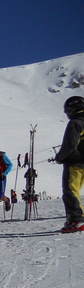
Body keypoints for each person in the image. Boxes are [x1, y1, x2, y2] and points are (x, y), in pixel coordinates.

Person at [55, 96, 84, 233]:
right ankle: (76, 218)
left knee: (70, 191)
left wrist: (60, 157)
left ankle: (77, 220)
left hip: (75, 162)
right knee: (75, 191)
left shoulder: (76, 122)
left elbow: (70, 144)